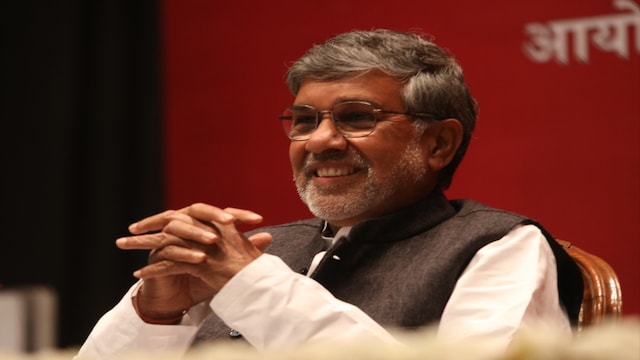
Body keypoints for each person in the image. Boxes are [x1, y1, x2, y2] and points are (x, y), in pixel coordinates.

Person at [76, 29, 583, 358]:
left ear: (438, 143)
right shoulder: (264, 249)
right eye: (303, 121)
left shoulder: (499, 247)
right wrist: (156, 313)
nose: (319, 141)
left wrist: (252, 288)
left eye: (357, 117)